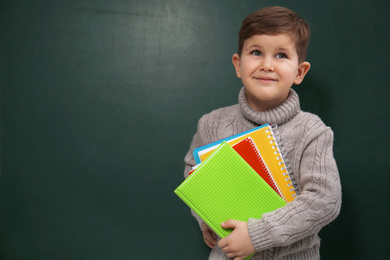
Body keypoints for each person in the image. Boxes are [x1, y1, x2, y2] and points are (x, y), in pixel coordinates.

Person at [183, 6, 342, 260]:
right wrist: (207, 217)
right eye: (256, 52)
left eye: (281, 55)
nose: (267, 65)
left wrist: (257, 235)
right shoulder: (211, 124)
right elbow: (194, 172)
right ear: (238, 64)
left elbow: (324, 200)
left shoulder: (312, 131)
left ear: (299, 72)